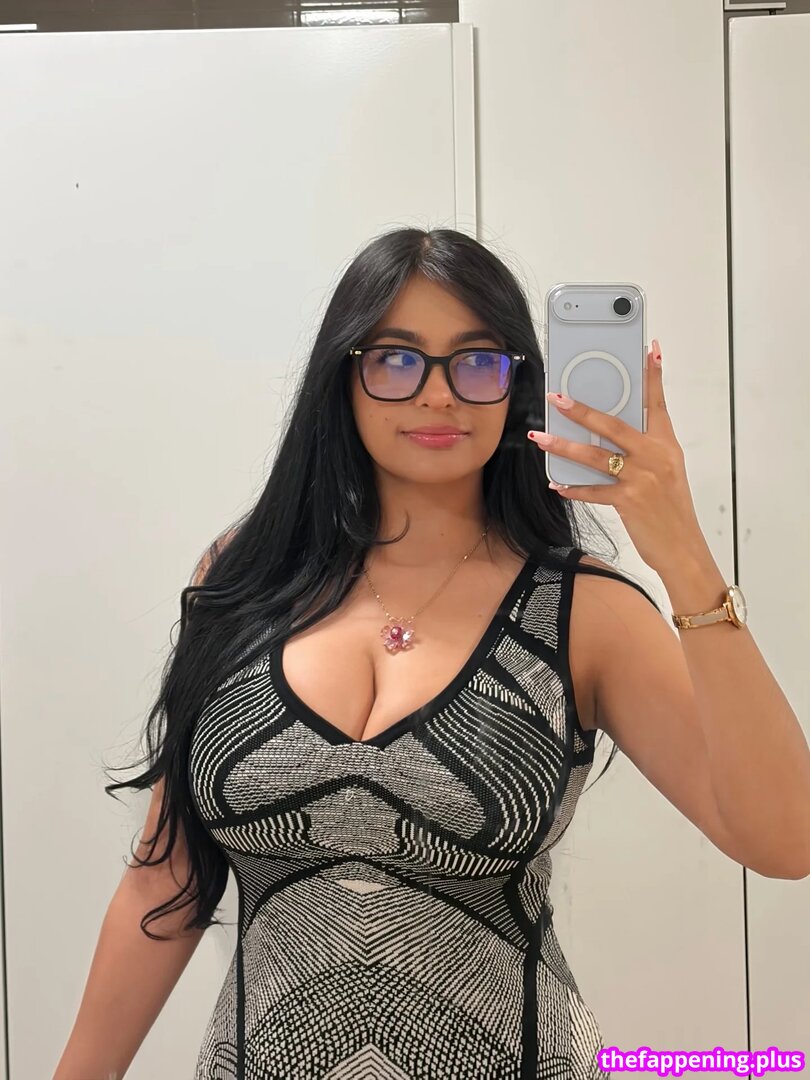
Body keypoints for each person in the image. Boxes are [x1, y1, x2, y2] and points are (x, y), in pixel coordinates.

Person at [55, 227, 664, 1080]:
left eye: (477, 362)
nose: (438, 394)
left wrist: (683, 552)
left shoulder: (582, 606)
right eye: (397, 359)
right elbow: (166, 881)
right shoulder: (245, 577)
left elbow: (785, 840)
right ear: (343, 377)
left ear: (517, 385)